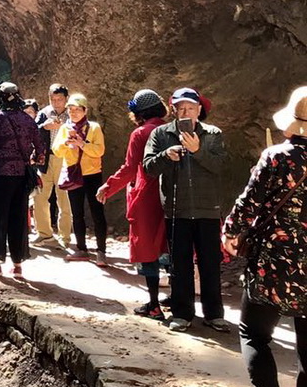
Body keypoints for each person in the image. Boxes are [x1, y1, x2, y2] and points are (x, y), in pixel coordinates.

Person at [222, 86, 307, 387]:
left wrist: (229, 234)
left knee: (253, 333)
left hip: (273, 265)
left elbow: (247, 205)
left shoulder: (276, 157)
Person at [143, 86, 228, 333]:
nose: (186, 112)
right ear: (174, 110)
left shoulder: (213, 134)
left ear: (199, 110)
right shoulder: (161, 134)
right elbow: (148, 167)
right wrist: (165, 156)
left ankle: (214, 314)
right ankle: (182, 313)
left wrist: (198, 151)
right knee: (179, 265)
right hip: (176, 209)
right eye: (181, 108)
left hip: (208, 208)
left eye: (191, 108)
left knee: (210, 263)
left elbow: (221, 166)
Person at [97, 90, 169, 318]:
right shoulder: (172, 129)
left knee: (148, 250)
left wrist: (108, 186)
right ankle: (178, 302)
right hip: (172, 196)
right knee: (170, 247)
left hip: (147, 197)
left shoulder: (140, 133)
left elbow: (130, 168)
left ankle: (154, 304)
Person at [0, 81, 46, 277]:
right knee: (18, 218)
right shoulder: (27, 120)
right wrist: (31, 160)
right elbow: (40, 150)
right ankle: (17, 264)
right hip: (21, 176)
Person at [53, 93, 108, 264]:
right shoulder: (64, 129)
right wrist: (66, 142)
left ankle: (101, 250)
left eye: (77, 109)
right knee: (77, 213)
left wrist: (82, 144)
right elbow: (56, 151)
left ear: (85, 111)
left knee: (97, 212)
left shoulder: (94, 128)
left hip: (92, 175)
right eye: (71, 109)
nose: (74, 113)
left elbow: (99, 151)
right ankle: (81, 249)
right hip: (73, 174)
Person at [34, 84, 72, 249]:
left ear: (66, 99)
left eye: (59, 99)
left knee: (64, 198)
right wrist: (45, 127)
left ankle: (65, 236)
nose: (56, 103)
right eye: (53, 99)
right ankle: (44, 233)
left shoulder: (72, 113)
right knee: (40, 197)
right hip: (45, 159)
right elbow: (33, 131)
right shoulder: (44, 113)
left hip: (65, 158)